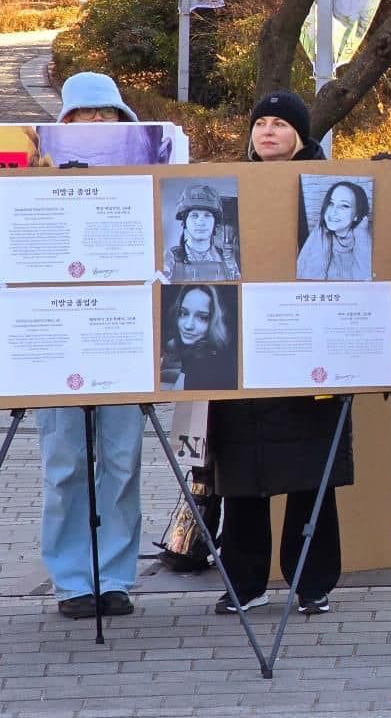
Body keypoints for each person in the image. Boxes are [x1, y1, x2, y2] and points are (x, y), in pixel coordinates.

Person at [207, 91, 352, 616]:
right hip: (244, 348)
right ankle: (245, 581)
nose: (267, 132)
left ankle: (311, 582)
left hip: (308, 345)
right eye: (260, 123)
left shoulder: (327, 189)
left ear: (301, 135)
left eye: (280, 124)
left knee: (311, 472)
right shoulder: (230, 188)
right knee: (241, 474)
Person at [37, 72, 146, 619]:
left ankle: (117, 576)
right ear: (66, 122)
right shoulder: (35, 179)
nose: (97, 122)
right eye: (86, 114)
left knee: (123, 461)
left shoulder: (146, 171)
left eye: (108, 113)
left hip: (124, 339)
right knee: (64, 463)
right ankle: (72, 579)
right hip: (56, 342)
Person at [160, 284, 238, 391]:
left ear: (213, 320)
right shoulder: (195, 350)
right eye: (183, 313)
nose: (188, 325)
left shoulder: (204, 358)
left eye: (202, 317)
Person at [296, 179, 373, 281]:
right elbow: (307, 278)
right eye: (331, 203)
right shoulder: (320, 234)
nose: (333, 212)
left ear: (357, 215)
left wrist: (361, 234)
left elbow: (366, 283)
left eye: (344, 206)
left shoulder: (364, 240)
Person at [164, 183, 240, 282]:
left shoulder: (228, 261)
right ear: (184, 222)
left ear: (215, 222)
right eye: (194, 215)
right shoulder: (169, 260)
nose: (200, 222)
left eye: (207, 215)